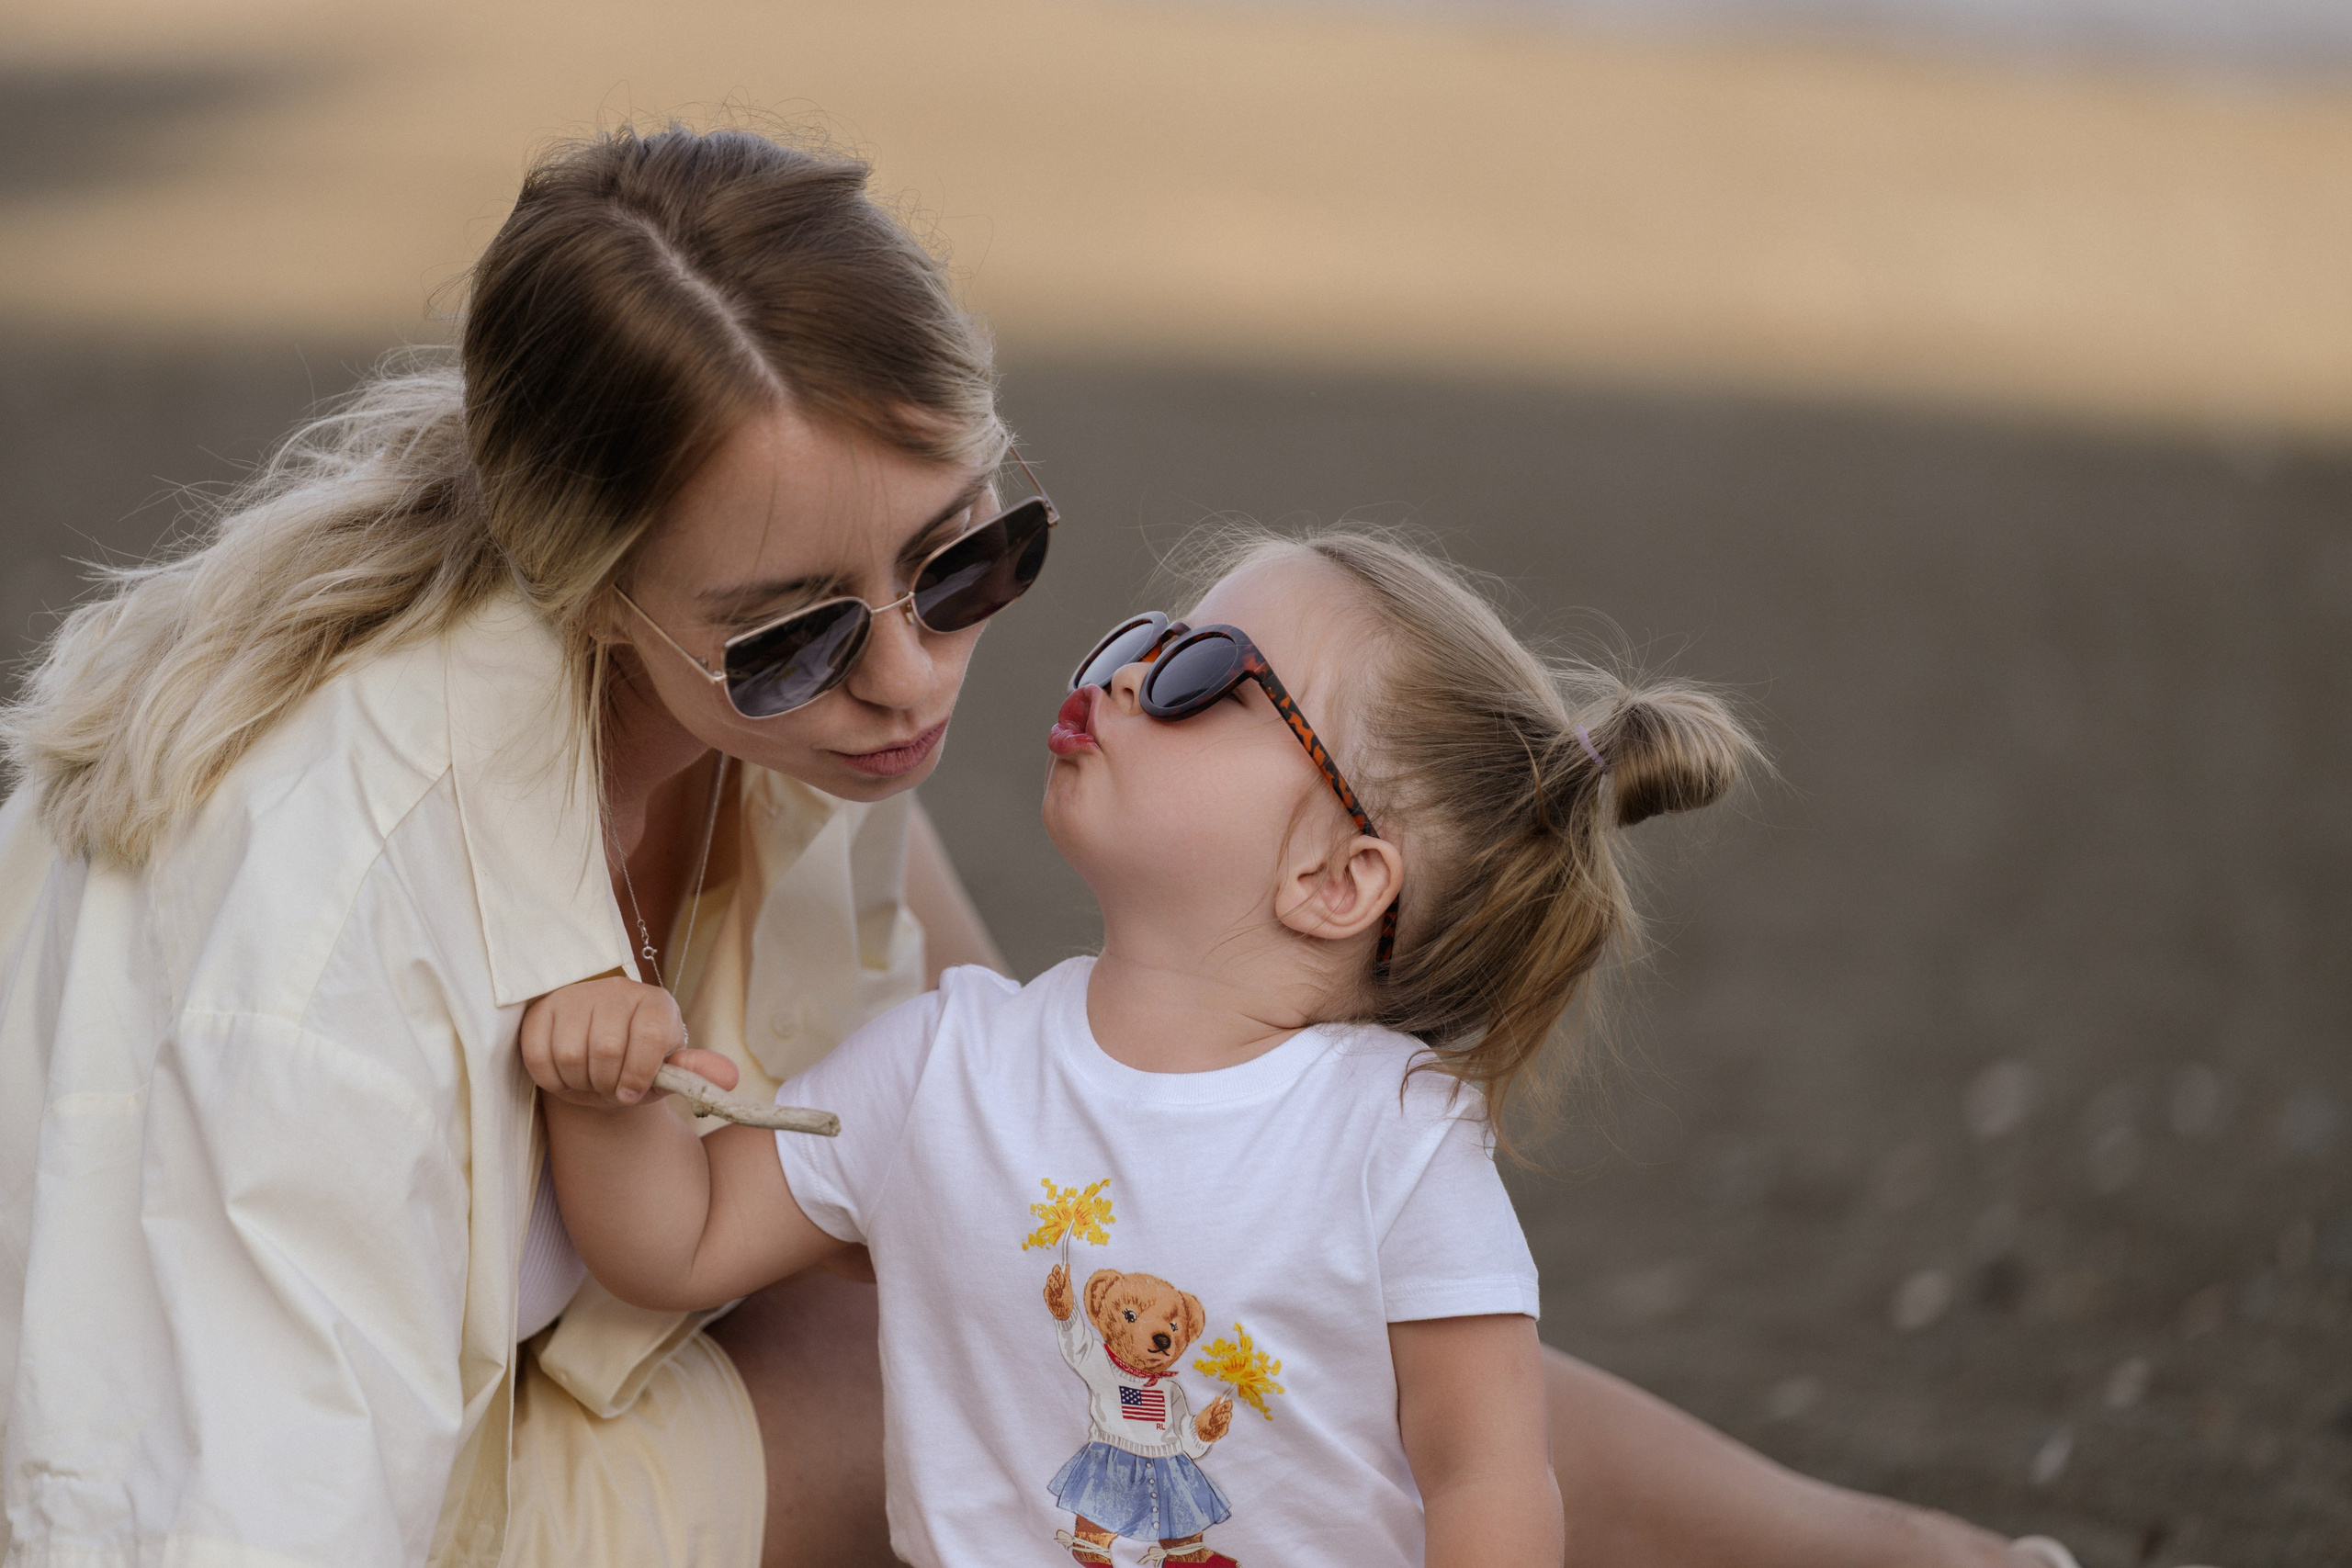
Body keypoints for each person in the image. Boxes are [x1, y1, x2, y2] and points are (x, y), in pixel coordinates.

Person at [0, 121, 2062, 1568]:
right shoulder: (324, 918)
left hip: (542, 1391)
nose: (906, 682)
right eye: (802, 630)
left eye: (967, 554)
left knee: (1095, 1325)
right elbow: (210, 1512)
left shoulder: (768, 732)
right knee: (1042, 1384)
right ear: (589, 580)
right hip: (337, 1492)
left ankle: (1908, 1555)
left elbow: (1055, 1139)